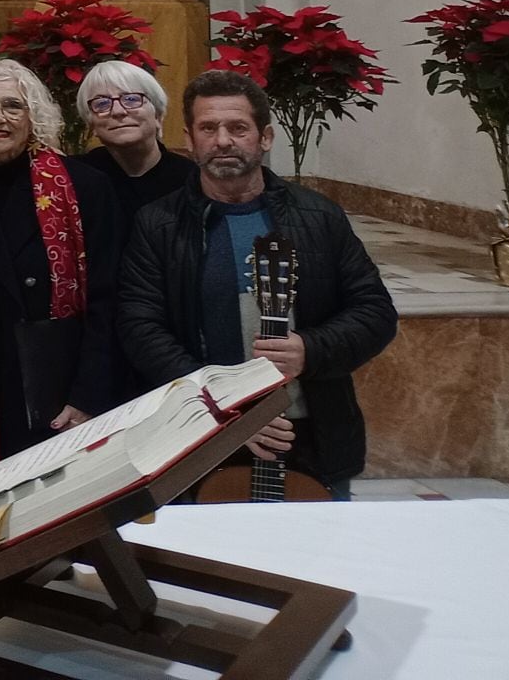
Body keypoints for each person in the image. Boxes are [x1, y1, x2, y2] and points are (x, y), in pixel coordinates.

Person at [117, 70, 398, 499]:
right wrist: (223, 408)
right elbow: (141, 329)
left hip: (309, 433)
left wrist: (311, 348)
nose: (223, 140)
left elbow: (375, 313)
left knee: (315, 559)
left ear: (265, 137)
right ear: (190, 140)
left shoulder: (318, 217)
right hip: (199, 434)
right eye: (208, 128)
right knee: (203, 562)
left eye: (238, 128)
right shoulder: (159, 224)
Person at [0, 58, 124, 465]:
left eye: (13, 106)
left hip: (58, 383)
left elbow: (108, 299)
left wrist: (87, 394)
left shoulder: (85, 187)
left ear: (34, 116)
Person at [70, 60, 196, 223]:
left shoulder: (191, 179)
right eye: (102, 103)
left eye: (131, 99)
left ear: (158, 115)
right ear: (91, 125)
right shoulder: (77, 178)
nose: (118, 111)